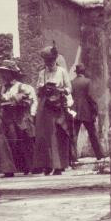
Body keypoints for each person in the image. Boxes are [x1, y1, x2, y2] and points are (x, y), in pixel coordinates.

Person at [32, 45, 72, 175]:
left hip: (57, 105)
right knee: (44, 135)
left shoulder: (61, 71)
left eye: (50, 60)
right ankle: (47, 165)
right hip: (44, 105)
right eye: (46, 61)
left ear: (55, 59)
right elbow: (38, 88)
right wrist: (43, 88)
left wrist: (59, 90)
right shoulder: (42, 73)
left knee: (57, 134)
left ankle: (58, 165)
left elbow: (69, 88)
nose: (48, 63)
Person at [0, 59, 36, 175]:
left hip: (19, 117)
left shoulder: (22, 87)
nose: (3, 75)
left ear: (12, 73)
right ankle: (8, 169)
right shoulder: (1, 88)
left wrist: (18, 101)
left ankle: (29, 166)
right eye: (2, 72)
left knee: (23, 141)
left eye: (6, 72)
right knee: (4, 142)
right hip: (5, 117)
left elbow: (29, 101)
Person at [71, 63, 104, 160]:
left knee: (74, 135)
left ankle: (72, 157)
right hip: (86, 112)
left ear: (76, 72)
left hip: (75, 111)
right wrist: (95, 109)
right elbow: (90, 97)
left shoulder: (72, 82)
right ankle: (99, 155)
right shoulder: (87, 82)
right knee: (92, 134)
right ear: (84, 71)